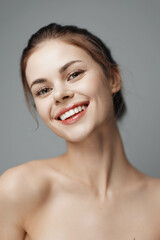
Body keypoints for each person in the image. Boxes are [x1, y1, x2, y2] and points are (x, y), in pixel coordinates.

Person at [0, 23, 160, 240]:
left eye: (74, 74)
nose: (59, 95)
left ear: (113, 79)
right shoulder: (17, 189)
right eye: (43, 90)